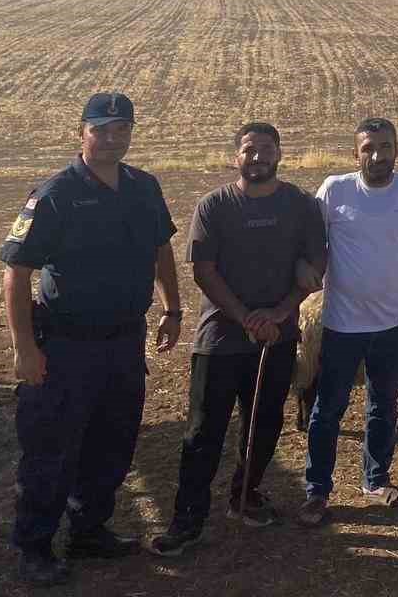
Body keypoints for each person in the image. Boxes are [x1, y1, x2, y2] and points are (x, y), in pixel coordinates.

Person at [0, 92, 182, 587]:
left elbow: (161, 247)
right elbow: (17, 271)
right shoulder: (55, 193)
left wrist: (172, 308)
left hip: (124, 342)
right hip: (64, 345)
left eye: (121, 129)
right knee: (51, 448)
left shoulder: (144, 187)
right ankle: (34, 545)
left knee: (113, 440)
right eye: (101, 129)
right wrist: (24, 347)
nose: (112, 138)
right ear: (81, 132)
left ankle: (89, 530)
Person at [149, 122, 327, 556]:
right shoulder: (214, 206)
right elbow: (203, 271)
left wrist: (282, 312)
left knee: (265, 424)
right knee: (203, 430)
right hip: (220, 338)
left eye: (266, 149)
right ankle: (186, 520)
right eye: (249, 149)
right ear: (236, 157)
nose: (257, 157)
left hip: (277, 337)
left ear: (280, 154)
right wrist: (247, 317)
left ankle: (245, 495)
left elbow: (314, 265)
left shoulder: (301, 205)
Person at [299, 116, 398, 527]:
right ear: (355, 153)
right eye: (368, 148)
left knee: (383, 406)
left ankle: (376, 481)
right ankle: (317, 491)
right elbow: (313, 242)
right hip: (342, 324)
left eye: (385, 147)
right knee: (327, 410)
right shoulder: (335, 189)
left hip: (392, 324)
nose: (377, 155)